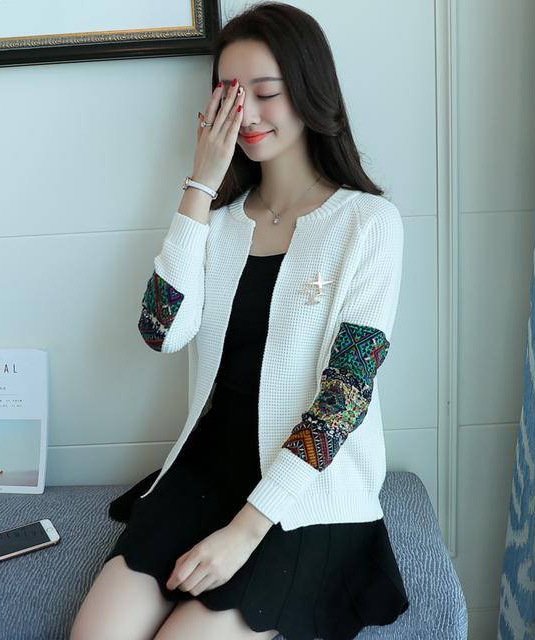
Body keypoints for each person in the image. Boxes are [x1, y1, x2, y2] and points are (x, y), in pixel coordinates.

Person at [70, 3, 409, 639]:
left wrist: (246, 530)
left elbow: (345, 396)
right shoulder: (218, 224)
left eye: (266, 92)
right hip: (201, 474)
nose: (245, 113)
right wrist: (201, 185)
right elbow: (160, 330)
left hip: (302, 495)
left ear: (308, 93)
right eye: (230, 95)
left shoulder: (368, 225)